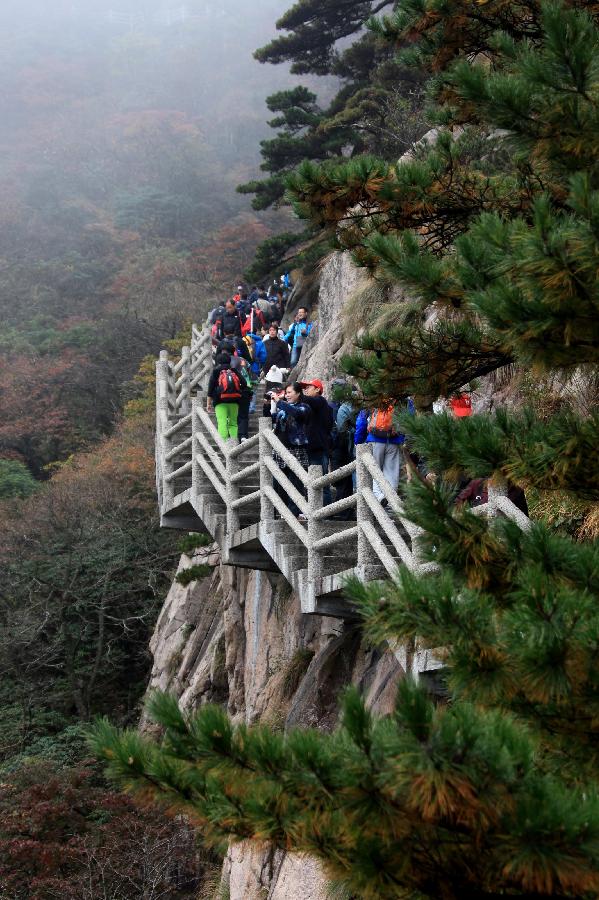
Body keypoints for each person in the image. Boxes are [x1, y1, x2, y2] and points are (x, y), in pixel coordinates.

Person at [354, 400, 414, 504]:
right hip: (394, 442)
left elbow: (362, 421)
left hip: (374, 441)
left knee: (374, 471)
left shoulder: (373, 397)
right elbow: (410, 419)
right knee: (391, 475)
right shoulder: (402, 398)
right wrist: (403, 438)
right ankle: (391, 502)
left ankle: (380, 497)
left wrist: (358, 441)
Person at [270, 382, 312, 518]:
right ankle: (282, 511)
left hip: (296, 449)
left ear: (298, 393)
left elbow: (297, 414)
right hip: (280, 449)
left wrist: (280, 403)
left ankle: (295, 511)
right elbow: (275, 422)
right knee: (280, 482)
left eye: (289, 392)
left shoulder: (304, 408)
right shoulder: (283, 409)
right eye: (286, 393)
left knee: (296, 482)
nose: (287, 395)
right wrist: (273, 405)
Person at [299, 378, 334, 506]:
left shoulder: (320, 401)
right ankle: (317, 510)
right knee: (314, 482)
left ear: (318, 389)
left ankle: (325, 513)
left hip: (318, 448)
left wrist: (297, 393)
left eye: (309, 387)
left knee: (322, 483)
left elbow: (308, 400)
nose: (305, 390)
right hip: (314, 447)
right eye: (304, 388)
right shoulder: (312, 406)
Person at [206, 352, 243, 440]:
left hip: (220, 402)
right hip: (235, 401)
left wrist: (208, 404)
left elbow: (210, 390)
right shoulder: (234, 371)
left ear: (218, 361)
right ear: (229, 361)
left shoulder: (216, 371)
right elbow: (244, 384)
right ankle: (234, 444)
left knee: (222, 423)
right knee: (233, 423)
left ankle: (224, 445)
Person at [231, 357, 253, 441]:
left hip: (230, 392)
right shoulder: (244, 361)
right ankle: (243, 435)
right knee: (243, 415)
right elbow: (250, 377)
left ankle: (232, 436)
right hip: (244, 391)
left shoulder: (225, 361)